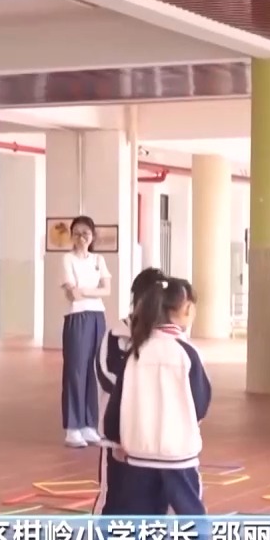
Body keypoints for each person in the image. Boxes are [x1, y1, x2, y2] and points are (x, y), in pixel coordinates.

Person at [104, 277, 210, 514]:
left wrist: (116, 437)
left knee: (138, 518)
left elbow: (117, 403)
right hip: (178, 454)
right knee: (192, 517)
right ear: (187, 309)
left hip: (139, 453)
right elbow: (200, 404)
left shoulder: (136, 352)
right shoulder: (187, 352)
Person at [94, 267, 167, 514]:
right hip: (118, 436)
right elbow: (106, 374)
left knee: (153, 496)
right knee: (114, 495)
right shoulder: (115, 336)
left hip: (155, 435)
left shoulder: (168, 340)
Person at [60, 215, 112, 448]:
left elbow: (107, 290)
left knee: (93, 370)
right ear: (72, 236)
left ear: (92, 236)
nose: (81, 238)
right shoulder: (67, 259)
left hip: (97, 316)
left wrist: (85, 290)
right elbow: (73, 295)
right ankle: (73, 427)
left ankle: (89, 424)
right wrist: (92, 290)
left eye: (86, 233)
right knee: (76, 370)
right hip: (77, 317)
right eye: (77, 233)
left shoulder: (99, 259)